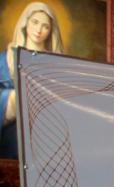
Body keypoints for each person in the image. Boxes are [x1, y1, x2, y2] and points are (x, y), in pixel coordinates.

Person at [1, 2, 64, 159]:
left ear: (50, 31)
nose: (39, 30)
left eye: (45, 26)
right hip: (12, 139)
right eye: (35, 22)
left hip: (45, 136)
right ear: (25, 23)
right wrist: (14, 99)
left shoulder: (55, 64)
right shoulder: (5, 59)